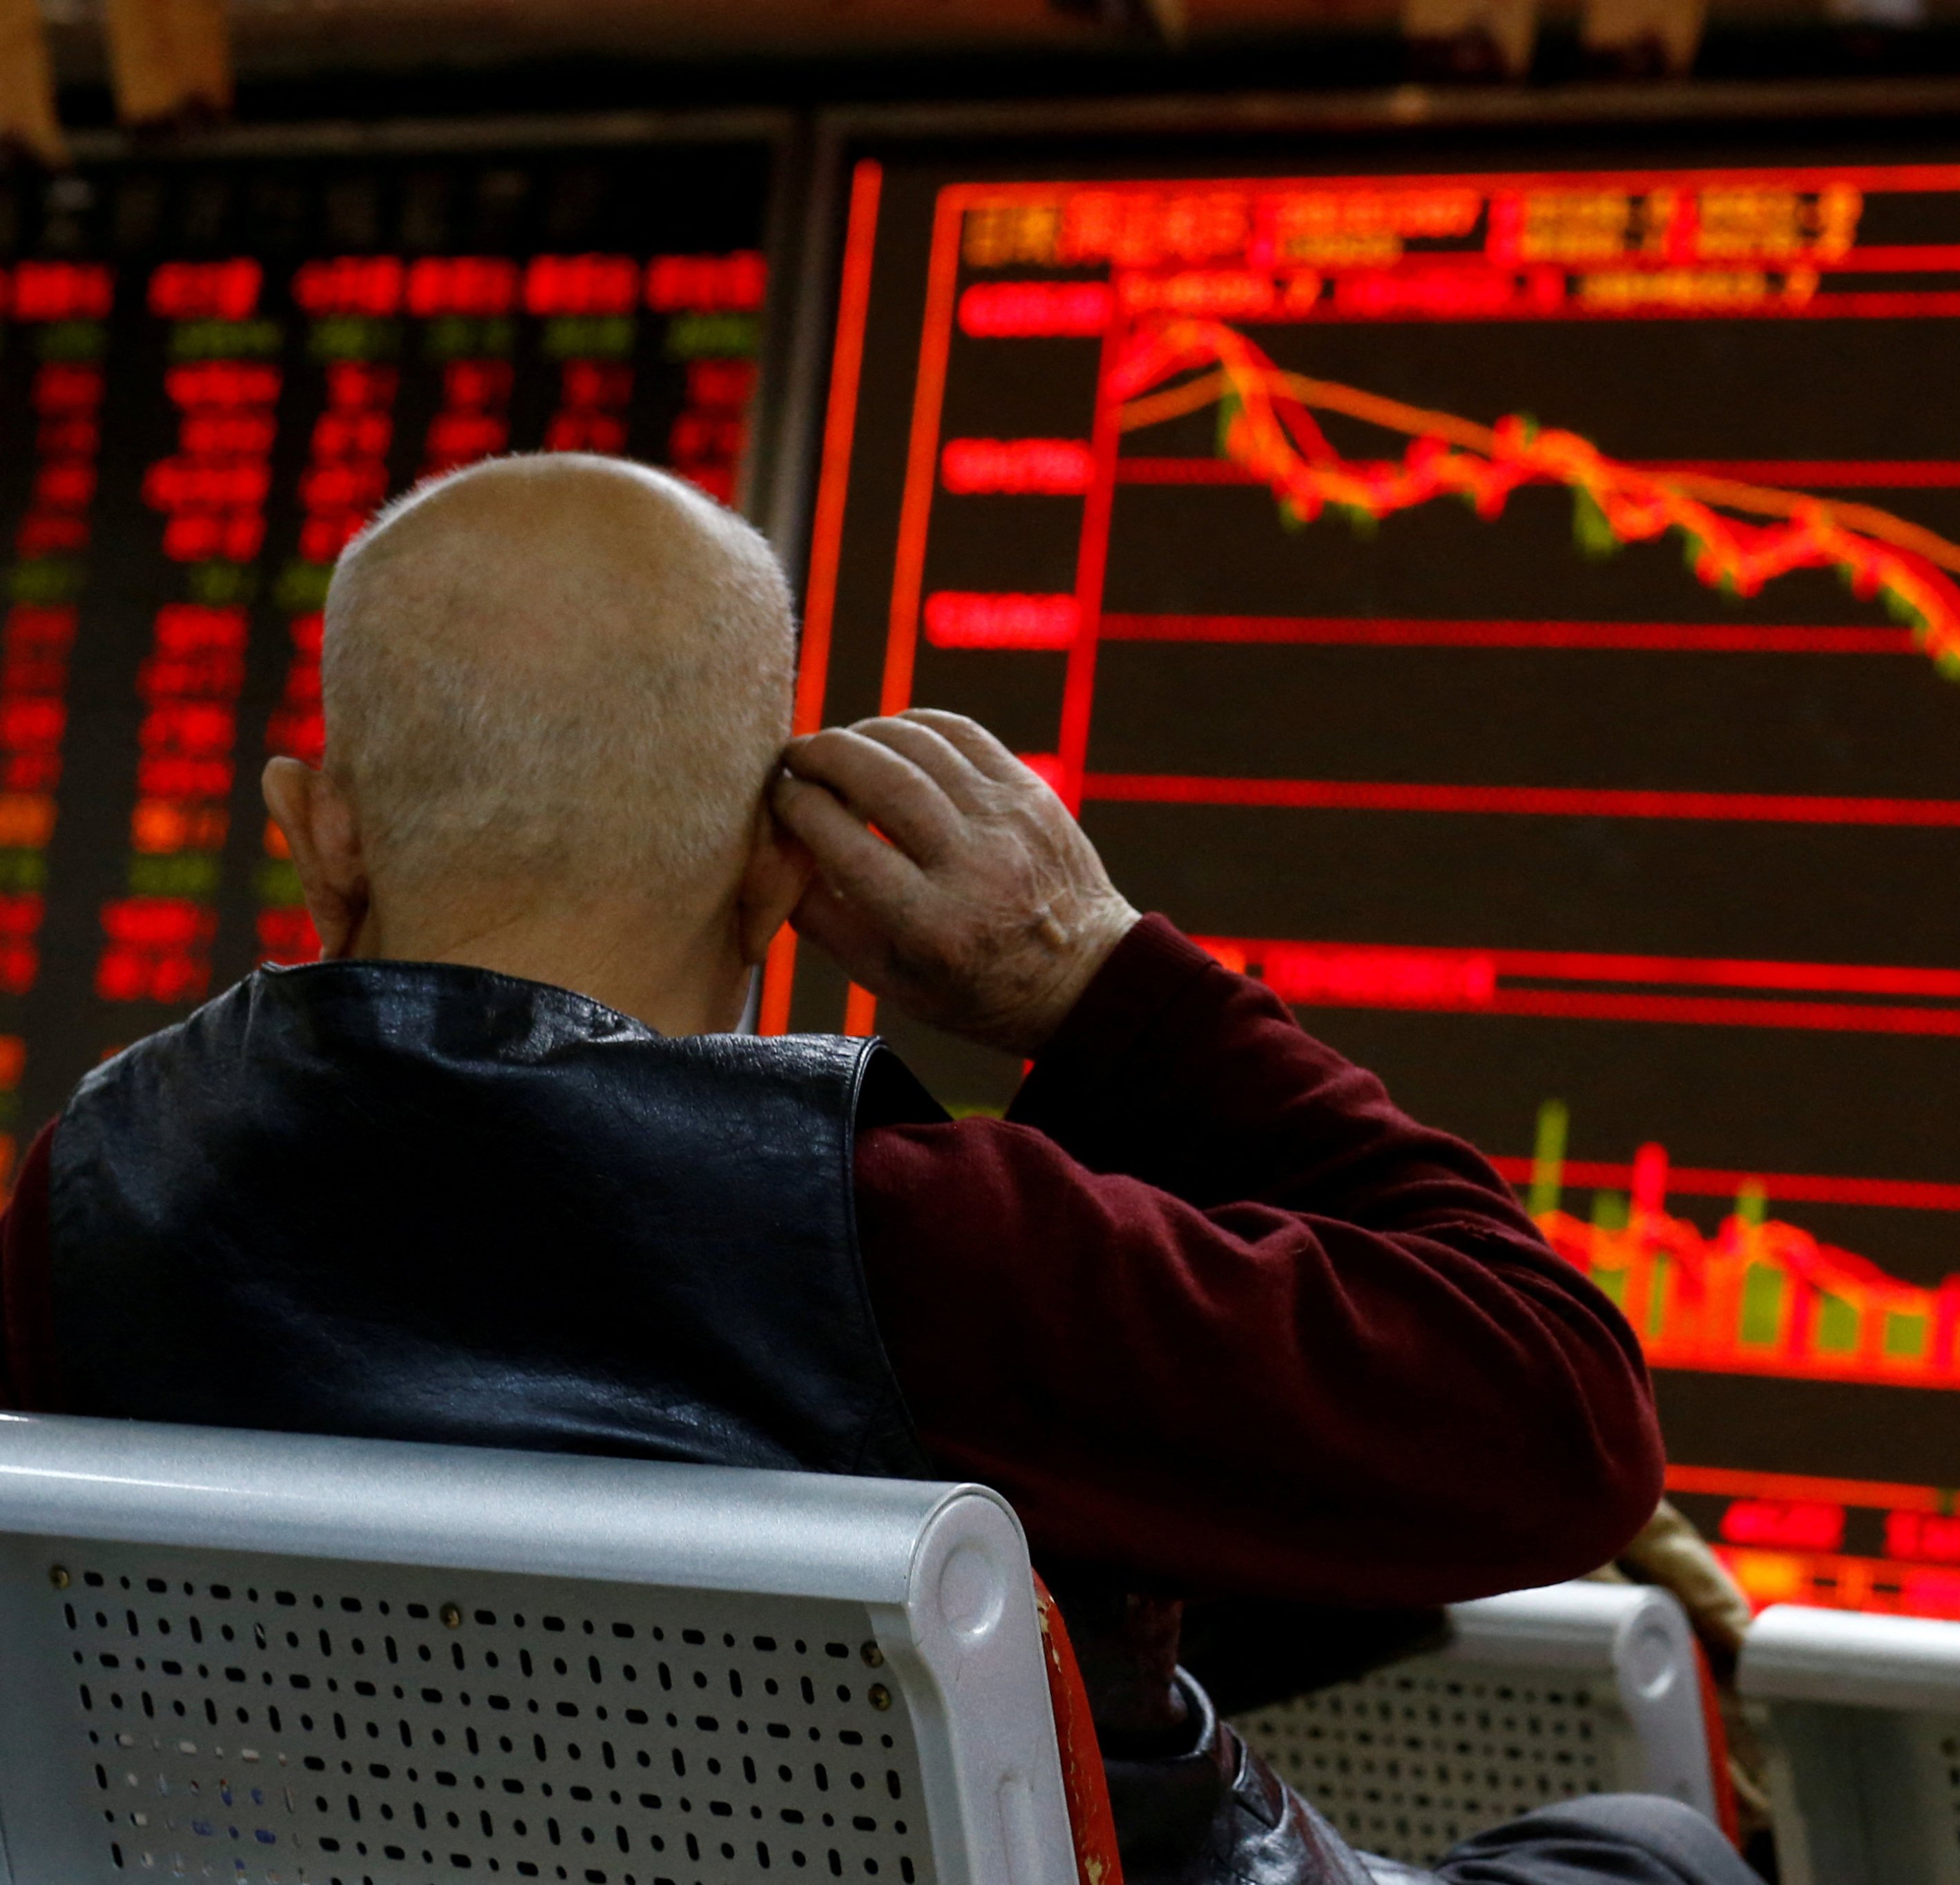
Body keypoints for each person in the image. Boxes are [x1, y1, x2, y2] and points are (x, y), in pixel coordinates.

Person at [0, 454, 1757, 1885]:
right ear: (779, 874)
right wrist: (1103, 983)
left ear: (317, 831)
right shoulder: (899, 1241)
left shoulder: (87, 1199)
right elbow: (1559, 1425)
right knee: (1648, 1846)